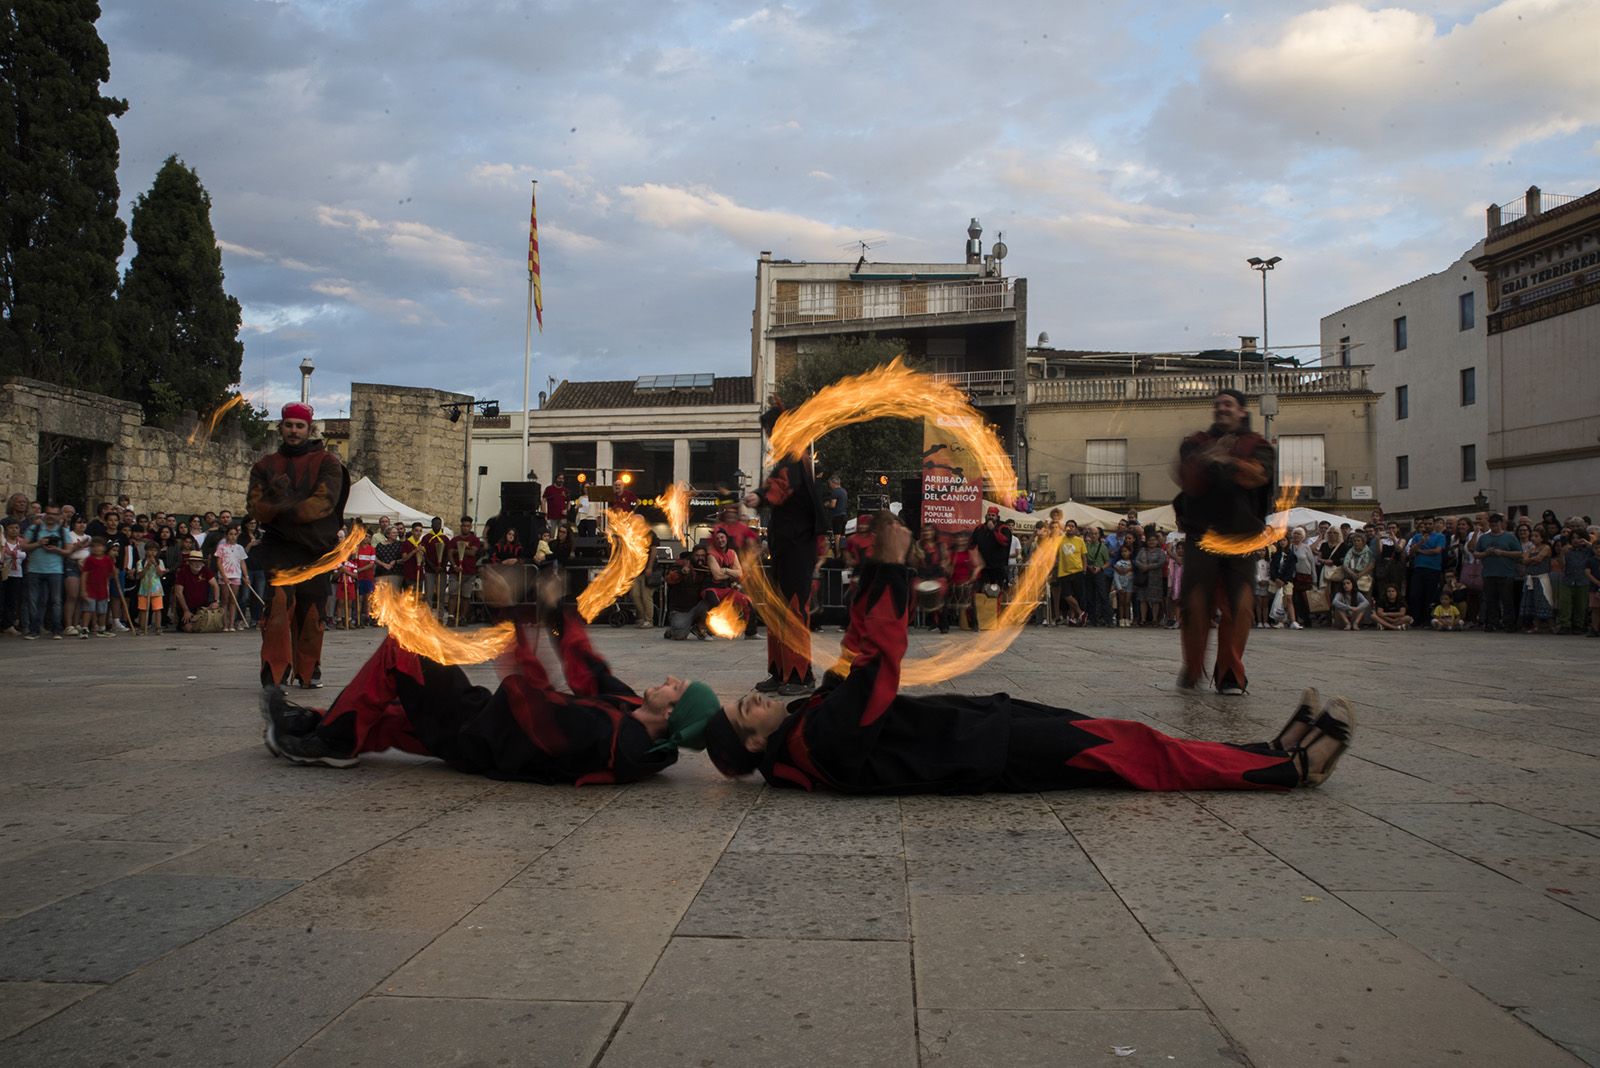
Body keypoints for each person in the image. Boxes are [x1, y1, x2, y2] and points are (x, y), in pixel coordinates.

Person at [698, 514, 1354, 794]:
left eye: (740, 701)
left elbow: (856, 656)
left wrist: (878, 571)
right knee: (1135, 753)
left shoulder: (807, 728)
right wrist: (893, 570)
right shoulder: (818, 746)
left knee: (1131, 739)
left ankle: (1266, 754)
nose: (752, 700)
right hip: (995, 752)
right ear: (754, 746)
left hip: (989, 729)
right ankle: (1283, 774)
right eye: (743, 715)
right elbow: (877, 665)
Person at [260, 570, 720, 783]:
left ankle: (333, 741)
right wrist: (553, 611)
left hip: (478, 735)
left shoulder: (610, 733)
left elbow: (531, 702)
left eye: (676, 687)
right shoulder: (627, 712)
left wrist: (516, 617)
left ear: (673, 711)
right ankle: (309, 726)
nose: (669, 678)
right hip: (484, 727)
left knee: (405, 648)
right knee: (387, 717)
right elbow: (589, 670)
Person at [1173, 388, 1276, 694]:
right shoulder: (1195, 442)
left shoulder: (1259, 445)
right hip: (1202, 533)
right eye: (1217, 404)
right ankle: (1192, 669)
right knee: (1194, 604)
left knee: (1240, 604)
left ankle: (1230, 673)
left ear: (1242, 411)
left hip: (1241, 536)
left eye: (1228, 404)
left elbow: (1257, 477)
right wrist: (1211, 458)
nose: (1221, 409)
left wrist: (1225, 461)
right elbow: (1188, 477)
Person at [247, 402, 352, 688]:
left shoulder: (328, 463)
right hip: (280, 547)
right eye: (289, 425)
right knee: (279, 606)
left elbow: (323, 503)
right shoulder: (265, 466)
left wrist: (282, 506)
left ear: (309, 428)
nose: (293, 431)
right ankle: (275, 672)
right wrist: (277, 507)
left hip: (316, 548)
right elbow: (255, 507)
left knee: (313, 610)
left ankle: (308, 671)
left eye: (299, 425)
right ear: (281, 427)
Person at [745, 400, 829, 695]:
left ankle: (800, 676)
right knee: (778, 609)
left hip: (798, 546)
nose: (770, 436)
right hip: (785, 545)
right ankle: (781, 672)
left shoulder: (795, 456)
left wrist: (760, 496)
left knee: (793, 610)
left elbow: (782, 487)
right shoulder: (786, 458)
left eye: (772, 430)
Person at [20, 504, 68, 640]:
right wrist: (39, 543)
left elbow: (69, 551)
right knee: (33, 600)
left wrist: (56, 550)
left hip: (55, 570)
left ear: (59, 516)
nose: (51, 516)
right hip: (35, 569)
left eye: (54, 514)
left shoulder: (62, 532)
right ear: (45, 514)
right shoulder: (34, 529)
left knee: (56, 601)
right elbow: (23, 546)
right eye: (49, 513)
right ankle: (33, 629)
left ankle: (56, 629)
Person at [1474, 513, 1521, 633]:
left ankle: (1509, 623)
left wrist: (1503, 553)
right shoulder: (1484, 538)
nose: (1494, 527)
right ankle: (1491, 623)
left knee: (1507, 600)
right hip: (1489, 573)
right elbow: (1476, 553)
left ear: (1501, 524)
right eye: (1492, 525)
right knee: (1490, 600)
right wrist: (1486, 553)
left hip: (1505, 573)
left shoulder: (1510, 537)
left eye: (1496, 524)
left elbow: (1518, 553)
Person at [1408, 517, 1447, 624]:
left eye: (1430, 524)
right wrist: (1421, 542)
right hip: (1419, 568)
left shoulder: (1440, 536)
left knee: (1430, 595)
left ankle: (1427, 619)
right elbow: (1411, 551)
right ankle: (1416, 619)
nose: (1427, 526)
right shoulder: (1417, 537)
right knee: (1415, 594)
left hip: (1433, 569)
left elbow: (1437, 550)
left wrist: (1421, 551)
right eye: (1425, 524)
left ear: (1433, 524)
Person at [212, 525, 251, 631]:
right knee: (225, 600)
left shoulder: (240, 548)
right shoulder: (222, 547)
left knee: (233, 600)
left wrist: (246, 576)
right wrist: (224, 575)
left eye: (235, 534)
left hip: (236, 576)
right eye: (230, 534)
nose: (233, 537)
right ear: (227, 535)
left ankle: (232, 624)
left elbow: (242, 562)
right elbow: (219, 562)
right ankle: (225, 624)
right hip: (225, 576)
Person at [78, 538, 116, 638]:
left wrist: (114, 572)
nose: (96, 549)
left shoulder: (107, 559)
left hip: (102, 588)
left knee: (102, 610)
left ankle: (101, 629)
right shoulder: (89, 560)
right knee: (88, 609)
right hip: (90, 588)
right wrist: (83, 590)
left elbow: (111, 573)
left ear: (104, 548)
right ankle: (84, 629)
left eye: (99, 546)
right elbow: (84, 574)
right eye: (94, 546)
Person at [173, 549, 219, 632]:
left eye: (200, 562)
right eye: (195, 561)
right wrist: (186, 610)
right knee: (190, 628)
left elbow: (215, 585)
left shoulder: (205, 570)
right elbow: (178, 593)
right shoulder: (182, 572)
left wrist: (215, 601)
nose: (198, 564)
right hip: (187, 606)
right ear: (189, 562)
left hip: (202, 606)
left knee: (214, 623)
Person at [1134, 532, 1167, 627]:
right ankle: (1143, 619)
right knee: (1143, 599)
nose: (1151, 542)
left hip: (1155, 579)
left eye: (1153, 540)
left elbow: (1161, 562)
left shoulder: (1160, 551)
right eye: (1149, 540)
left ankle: (1155, 619)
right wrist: (1142, 566)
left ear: (1157, 541)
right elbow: (1136, 561)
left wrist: (1148, 567)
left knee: (1155, 600)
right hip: (1143, 578)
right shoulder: (1142, 550)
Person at [1112, 541, 1135, 626]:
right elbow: (1116, 576)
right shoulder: (1118, 563)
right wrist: (1119, 587)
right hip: (1121, 585)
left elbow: (1132, 576)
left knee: (1128, 602)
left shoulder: (1132, 564)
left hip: (1129, 585)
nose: (1124, 553)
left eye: (1126, 551)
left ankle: (1128, 618)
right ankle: (1121, 619)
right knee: (1121, 603)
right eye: (1122, 551)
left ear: (1130, 552)